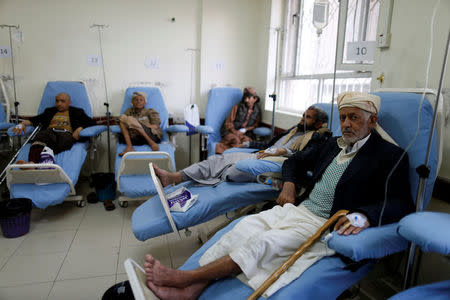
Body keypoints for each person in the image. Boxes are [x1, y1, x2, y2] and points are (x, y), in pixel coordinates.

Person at [141, 91, 414, 299]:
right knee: (243, 227)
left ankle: (184, 279)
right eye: (343, 117)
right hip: (298, 209)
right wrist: (289, 185)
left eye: (354, 117)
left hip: (324, 223)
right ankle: (194, 287)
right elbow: (294, 161)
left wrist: (365, 215)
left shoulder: (390, 156)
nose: (346, 124)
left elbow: (403, 203)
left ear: (372, 120)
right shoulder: (334, 145)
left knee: (264, 244)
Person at [154, 106, 329, 187]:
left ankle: (175, 178)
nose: (302, 119)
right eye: (303, 115)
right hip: (262, 154)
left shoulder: (318, 138)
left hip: (273, 163)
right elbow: (269, 144)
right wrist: (248, 143)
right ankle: (177, 178)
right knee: (219, 158)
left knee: (224, 165)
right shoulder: (294, 130)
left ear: (318, 123)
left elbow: (306, 159)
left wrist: (285, 151)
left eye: (308, 117)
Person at [13, 92, 97, 164]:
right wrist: (23, 123)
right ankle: (31, 163)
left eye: (62, 101)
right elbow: (35, 120)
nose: (59, 103)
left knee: (53, 143)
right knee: (38, 139)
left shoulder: (77, 112)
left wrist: (80, 128)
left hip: (66, 134)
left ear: (69, 103)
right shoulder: (50, 111)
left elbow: (92, 123)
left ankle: (40, 159)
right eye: (57, 101)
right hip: (48, 133)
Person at [215, 87, 262, 154]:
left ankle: (238, 159)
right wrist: (235, 132)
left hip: (244, 133)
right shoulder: (237, 107)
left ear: (255, 99)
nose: (246, 100)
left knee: (247, 141)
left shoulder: (257, 110)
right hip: (229, 131)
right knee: (235, 140)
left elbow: (256, 125)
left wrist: (246, 129)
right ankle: (225, 156)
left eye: (249, 98)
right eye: (245, 98)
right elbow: (228, 123)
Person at [118, 91, 163, 156]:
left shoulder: (150, 111)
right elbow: (123, 122)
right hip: (135, 138)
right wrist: (135, 127)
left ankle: (151, 143)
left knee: (130, 119)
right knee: (122, 119)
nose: (138, 101)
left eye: (141, 100)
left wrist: (138, 126)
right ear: (132, 102)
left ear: (145, 103)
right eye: (136, 100)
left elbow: (156, 126)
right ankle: (130, 147)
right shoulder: (128, 112)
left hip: (151, 135)